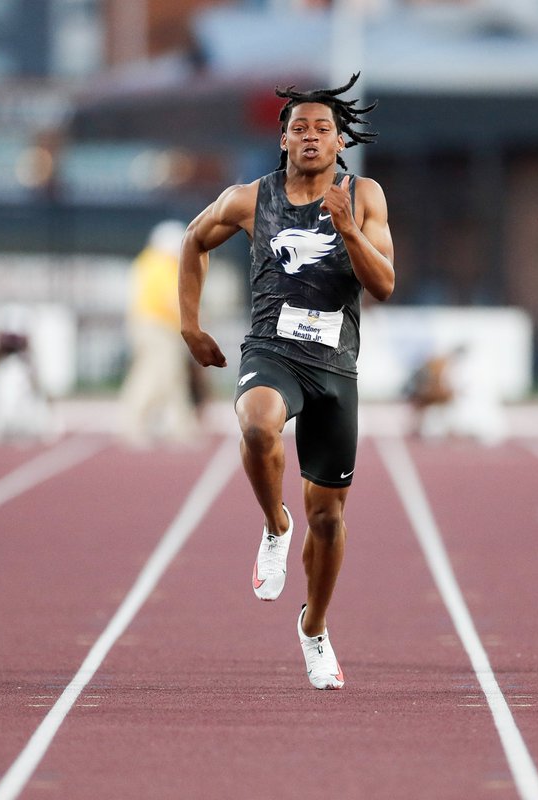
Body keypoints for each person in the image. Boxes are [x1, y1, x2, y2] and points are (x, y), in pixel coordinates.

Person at [179, 73, 395, 689]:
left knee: (328, 520)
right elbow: (194, 240)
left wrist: (349, 229)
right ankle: (274, 523)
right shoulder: (251, 198)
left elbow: (383, 286)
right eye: (298, 127)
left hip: (334, 367)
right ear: (282, 138)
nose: (310, 136)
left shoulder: (366, 195)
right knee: (256, 421)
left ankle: (314, 628)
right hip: (272, 350)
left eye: (322, 128)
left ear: (339, 141)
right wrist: (191, 327)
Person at [118, 219, 198, 447]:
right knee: (155, 376)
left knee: (171, 377)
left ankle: (181, 428)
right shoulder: (160, 264)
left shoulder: (148, 262)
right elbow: (171, 299)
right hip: (156, 326)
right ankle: (133, 423)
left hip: (151, 325)